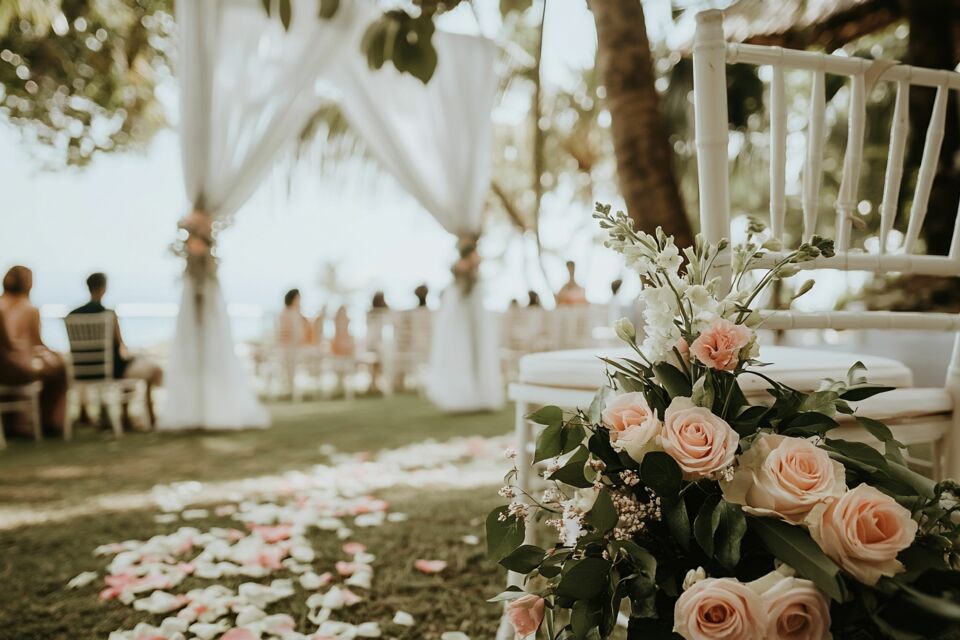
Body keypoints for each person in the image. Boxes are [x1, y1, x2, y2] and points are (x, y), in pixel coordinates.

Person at [69, 272, 163, 427]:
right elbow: (121, 346)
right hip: (111, 369)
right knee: (139, 366)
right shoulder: (109, 314)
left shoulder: (72, 315)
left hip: (82, 370)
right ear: (103, 288)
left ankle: (85, 414)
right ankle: (129, 416)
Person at [0, 266, 67, 435]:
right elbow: (35, 343)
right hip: (13, 367)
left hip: (6, 365)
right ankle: (48, 422)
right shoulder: (29, 309)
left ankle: (16, 422)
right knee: (59, 370)